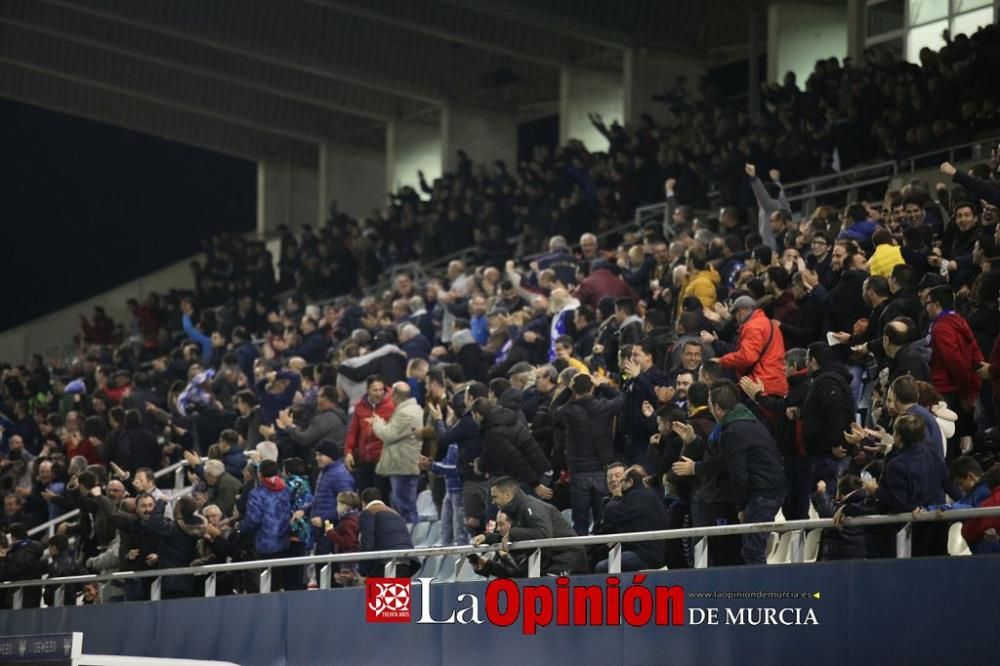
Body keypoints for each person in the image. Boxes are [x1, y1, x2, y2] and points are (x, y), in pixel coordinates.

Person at [672, 380, 786, 565]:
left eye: (710, 403)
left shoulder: (734, 428)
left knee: (749, 551)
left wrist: (741, 508)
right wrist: (693, 441)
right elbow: (722, 457)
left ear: (716, 407)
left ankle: (761, 592)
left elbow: (733, 469)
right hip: (758, 492)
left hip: (754, 495)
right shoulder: (741, 420)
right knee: (741, 551)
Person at [471, 477, 587, 576]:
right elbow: (519, 535)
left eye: (495, 497)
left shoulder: (531, 506)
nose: (492, 502)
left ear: (507, 495)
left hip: (567, 560)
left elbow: (543, 534)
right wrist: (487, 538)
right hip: (551, 560)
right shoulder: (517, 510)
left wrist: (511, 534)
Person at [555, 373, 624, 535]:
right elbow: (621, 397)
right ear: (592, 388)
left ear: (574, 389)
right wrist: (602, 385)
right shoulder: (604, 406)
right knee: (602, 518)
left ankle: (582, 557)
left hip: (579, 472)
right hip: (602, 470)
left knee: (580, 523)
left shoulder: (568, 411)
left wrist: (567, 389)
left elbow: (553, 409)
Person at [925, 285, 983, 458]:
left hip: (946, 391)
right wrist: (971, 389)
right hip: (959, 390)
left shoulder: (940, 328)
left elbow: (955, 362)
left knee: (947, 444)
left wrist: (966, 393)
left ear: (935, 304)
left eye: (927, 303)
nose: (926, 308)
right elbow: (976, 356)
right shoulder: (960, 322)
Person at [593, 465, 669, 572]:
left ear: (630, 482)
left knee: (602, 567)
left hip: (645, 555)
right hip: (643, 551)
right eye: (610, 477)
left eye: (621, 479)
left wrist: (616, 497)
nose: (618, 482)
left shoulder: (638, 496)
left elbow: (612, 514)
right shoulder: (643, 495)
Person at [371, 382, 424, 525]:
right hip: (401, 465)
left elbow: (389, 434)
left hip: (403, 466)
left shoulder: (406, 413)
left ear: (395, 395)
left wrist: (377, 422)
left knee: (405, 507)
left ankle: (411, 542)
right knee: (403, 505)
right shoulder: (409, 409)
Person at [718, 296, 788, 396]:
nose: (736, 318)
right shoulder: (770, 324)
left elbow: (747, 357)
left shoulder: (752, 326)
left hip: (760, 384)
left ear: (741, 311)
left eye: (735, 314)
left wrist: (722, 361)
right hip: (778, 381)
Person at [344, 375, 394, 499]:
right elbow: (353, 431)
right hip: (364, 460)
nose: (379, 393)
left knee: (381, 497)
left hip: (382, 460)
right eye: (375, 390)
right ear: (367, 390)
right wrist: (348, 451)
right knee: (364, 496)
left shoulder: (392, 406)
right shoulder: (360, 407)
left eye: (381, 390)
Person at [356, 488, 419, 579]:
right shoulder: (395, 513)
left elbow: (367, 543)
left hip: (384, 565)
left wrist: (363, 571)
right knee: (397, 593)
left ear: (363, 503)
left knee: (380, 593)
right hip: (405, 563)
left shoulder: (368, 512)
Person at [309, 440, 356, 553]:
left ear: (331, 456)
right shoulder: (325, 472)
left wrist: (324, 518)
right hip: (324, 529)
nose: (317, 458)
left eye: (320, 455)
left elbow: (348, 505)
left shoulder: (340, 475)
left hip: (334, 531)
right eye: (316, 455)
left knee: (327, 567)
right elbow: (320, 500)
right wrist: (304, 510)